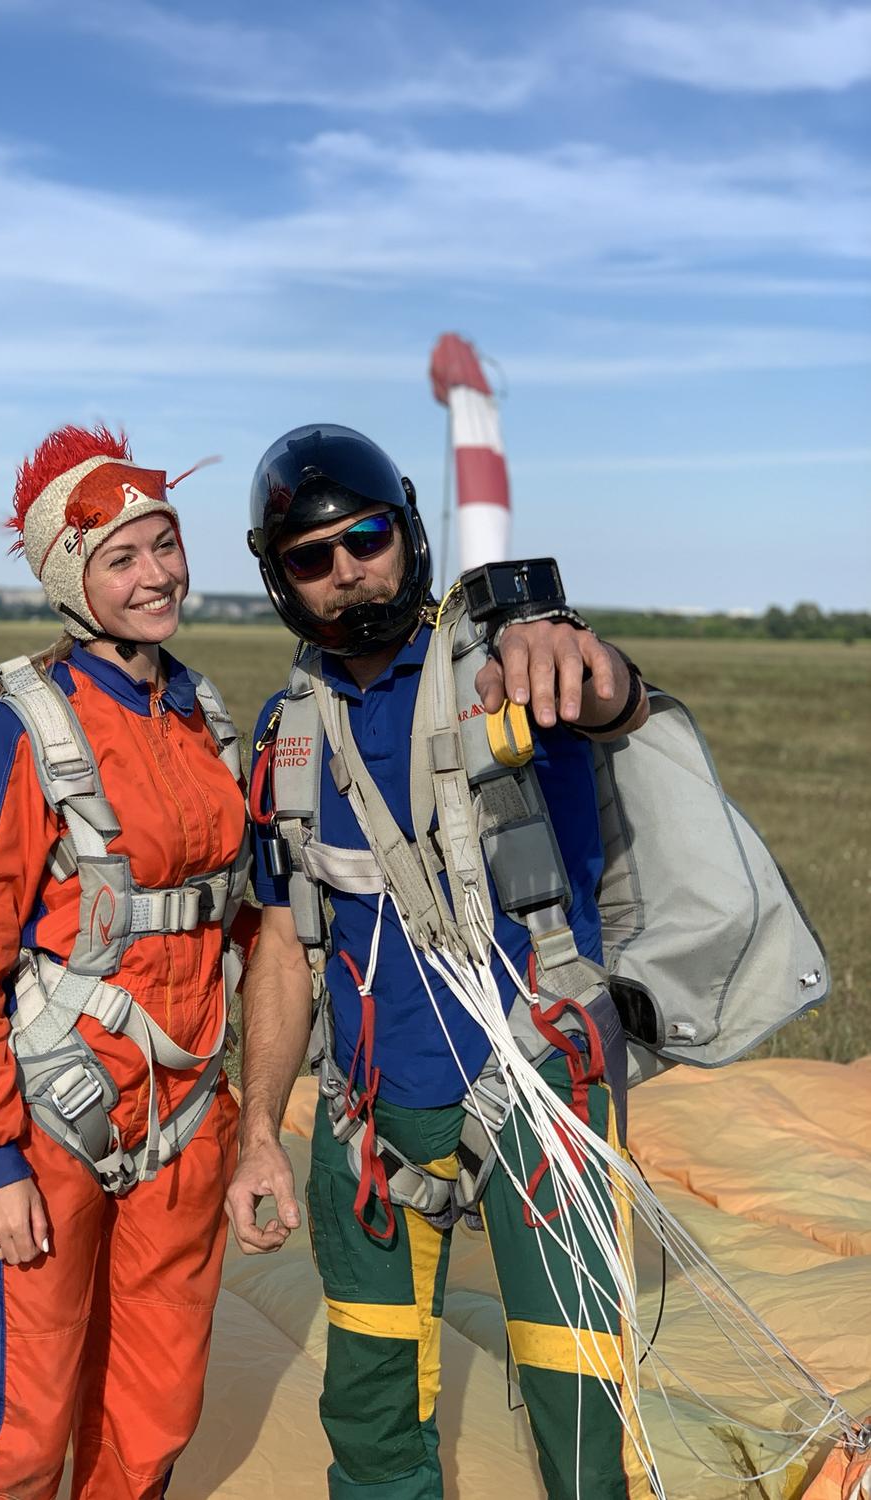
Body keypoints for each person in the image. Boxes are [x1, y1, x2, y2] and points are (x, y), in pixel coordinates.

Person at [225, 423, 653, 1500]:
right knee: (369, 1420)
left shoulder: (505, 668)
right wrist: (258, 1133)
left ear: (406, 532)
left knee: (578, 1417)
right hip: (367, 1116)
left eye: (364, 538)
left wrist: (579, 657)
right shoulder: (287, 735)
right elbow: (278, 944)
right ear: (280, 580)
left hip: (539, 1089)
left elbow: (610, 697)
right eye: (311, 557)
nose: (345, 570)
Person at [0, 424, 252, 1500]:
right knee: (20, 1419)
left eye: (166, 545)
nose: (156, 576)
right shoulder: (27, 733)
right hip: (55, 1117)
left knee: (152, 1415)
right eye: (122, 558)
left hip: (185, 1113)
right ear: (73, 582)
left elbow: (238, 921)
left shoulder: (204, 718)